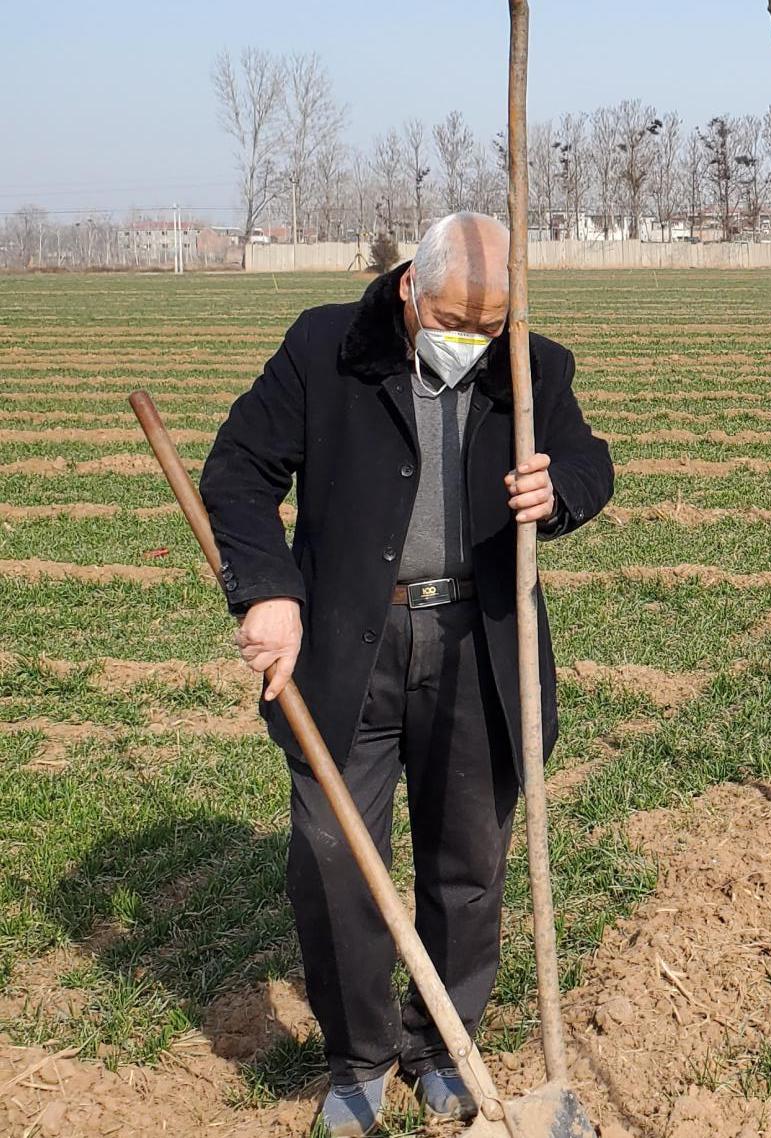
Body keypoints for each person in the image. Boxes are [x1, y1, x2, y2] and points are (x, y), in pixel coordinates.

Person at [201, 212, 613, 1134]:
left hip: (479, 643)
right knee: (335, 859)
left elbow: (590, 461)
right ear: (408, 291)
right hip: (348, 643)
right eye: (454, 318)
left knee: (467, 862)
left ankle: (442, 1045)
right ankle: (358, 1059)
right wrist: (267, 593)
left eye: (490, 322)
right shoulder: (326, 350)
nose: (471, 340)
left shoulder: (535, 363)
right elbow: (237, 470)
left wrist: (562, 492)